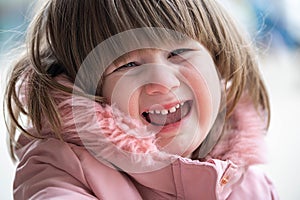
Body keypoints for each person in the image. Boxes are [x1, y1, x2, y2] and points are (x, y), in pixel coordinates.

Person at [4, 0, 279, 199]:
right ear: (85, 89)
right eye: (128, 65)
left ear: (217, 57)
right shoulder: (62, 168)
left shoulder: (249, 182)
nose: (162, 81)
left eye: (178, 52)